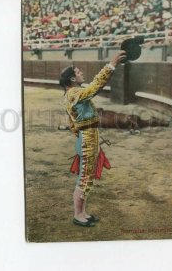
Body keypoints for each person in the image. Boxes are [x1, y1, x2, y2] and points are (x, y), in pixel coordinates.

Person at [59, 51, 126, 227]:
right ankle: (78, 215)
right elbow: (94, 87)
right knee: (85, 178)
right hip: (88, 138)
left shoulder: (72, 93)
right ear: (72, 79)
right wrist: (110, 66)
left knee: (86, 176)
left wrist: (83, 134)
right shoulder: (74, 92)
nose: (81, 73)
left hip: (88, 136)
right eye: (78, 72)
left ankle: (82, 212)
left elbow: (72, 124)